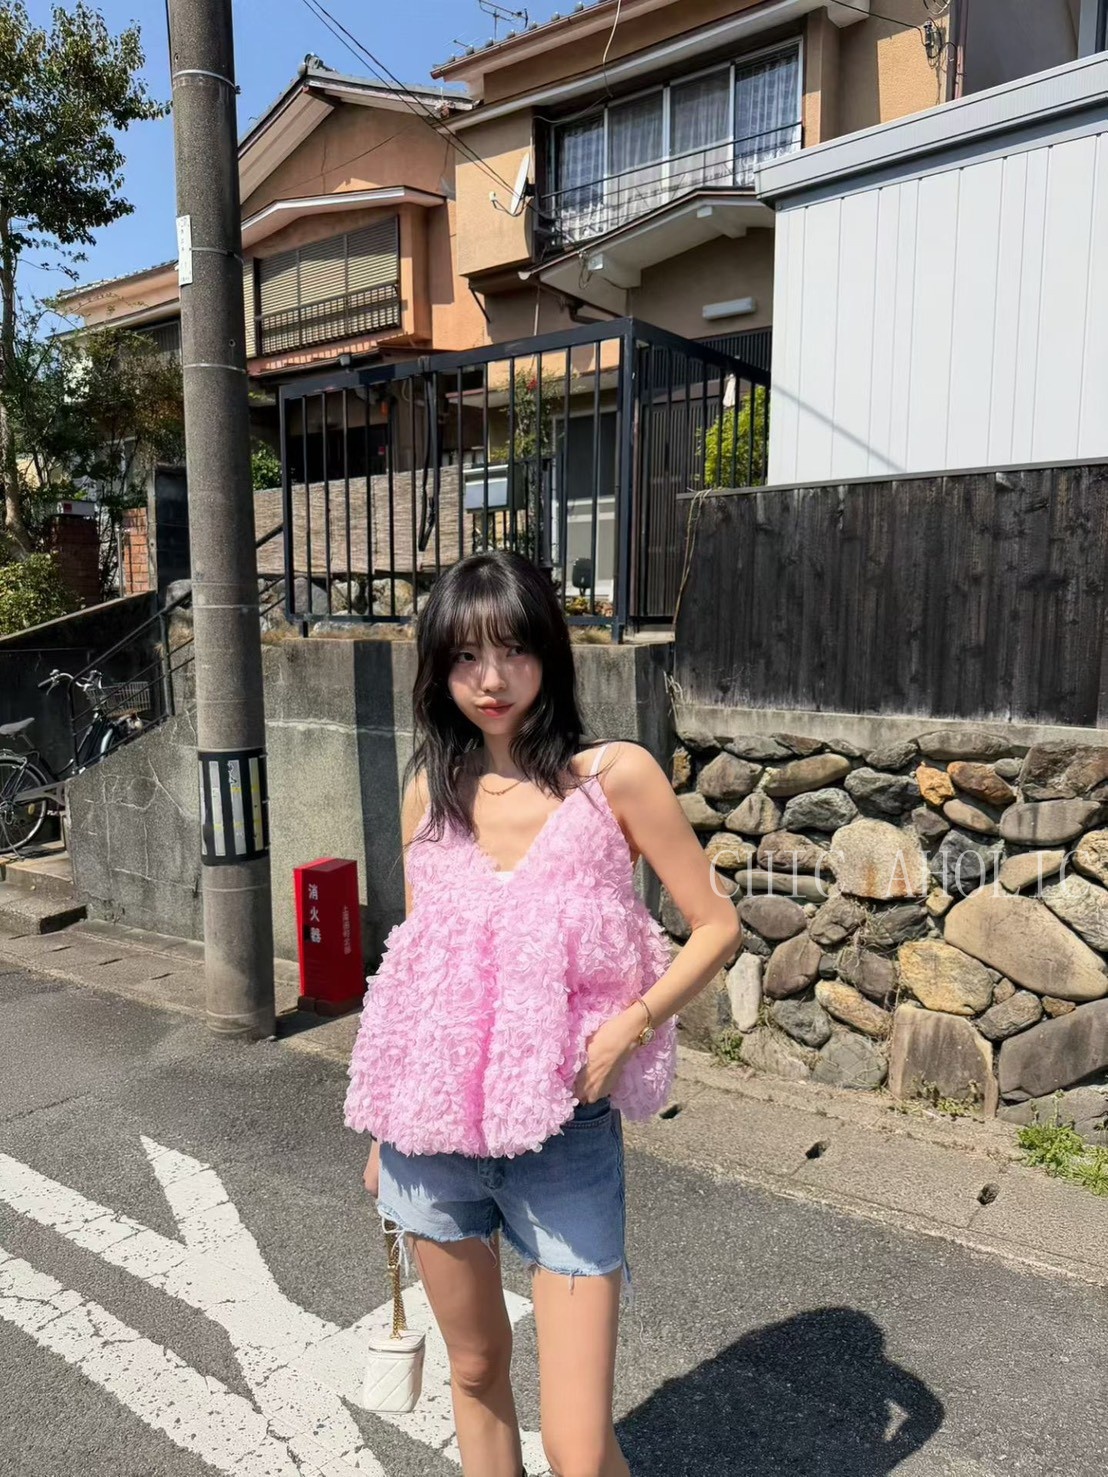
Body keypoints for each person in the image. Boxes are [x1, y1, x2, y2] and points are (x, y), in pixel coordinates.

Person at [345, 550, 742, 1477]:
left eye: (513, 650)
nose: (491, 679)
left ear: (550, 653)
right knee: (476, 1368)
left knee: (577, 1444)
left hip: (565, 1135)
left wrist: (629, 1025)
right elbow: (420, 972)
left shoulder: (614, 778)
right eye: (465, 656)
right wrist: (383, 1128)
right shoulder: (429, 794)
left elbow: (716, 926)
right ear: (438, 670)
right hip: (431, 1137)